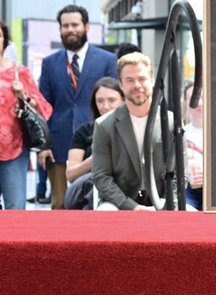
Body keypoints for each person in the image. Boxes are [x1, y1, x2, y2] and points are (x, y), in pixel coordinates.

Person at [36, 4, 118, 209]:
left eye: (75, 24)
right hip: (59, 145)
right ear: (60, 29)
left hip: (98, 143)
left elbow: (117, 103)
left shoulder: (107, 60)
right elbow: (43, 107)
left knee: (94, 205)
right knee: (60, 205)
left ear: (87, 26)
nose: (70, 29)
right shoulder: (49, 63)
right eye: (65, 26)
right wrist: (43, 145)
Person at [92, 52, 168, 210]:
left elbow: (182, 174)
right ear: (120, 84)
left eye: (141, 79)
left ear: (152, 80)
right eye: (130, 80)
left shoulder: (171, 122)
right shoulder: (103, 125)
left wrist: (163, 204)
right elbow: (101, 177)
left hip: (163, 202)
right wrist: (131, 206)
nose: (137, 85)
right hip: (118, 203)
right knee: (105, 213)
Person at [0, 20, 52, 210]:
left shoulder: (19, 72)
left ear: (4, 40)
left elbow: (44, 109)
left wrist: (24, 96)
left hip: (13, 150)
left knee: (15, 209)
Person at [64, 76, 124, 209]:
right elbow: (71, 174)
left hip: (120, 189)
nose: (105, 106)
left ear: (123, 100)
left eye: (112, 100)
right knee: (98, 180)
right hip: (85, 186)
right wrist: (94, 160)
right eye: (100, 101)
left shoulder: (131, 129)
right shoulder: (84, 131)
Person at [182, 81, 204, 210]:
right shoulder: (181, 133)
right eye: (194, 98)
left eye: (202, 97)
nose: (199, 103)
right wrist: (187, 176)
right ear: (186, 103)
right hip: (190, 191)